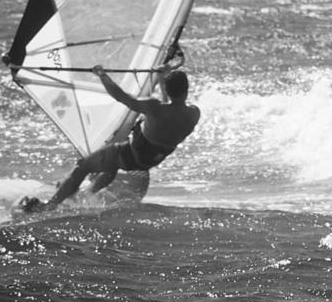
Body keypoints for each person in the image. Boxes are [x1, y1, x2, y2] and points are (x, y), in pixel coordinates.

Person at [21, 66, 201, 211]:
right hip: (147, 161)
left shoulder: (154, 107)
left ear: (168, 90)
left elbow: (121, 97)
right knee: (110, 167)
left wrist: (102, 75)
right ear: (186, 89)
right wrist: (163, 78)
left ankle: (48, 207)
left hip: (129, 154)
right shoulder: (193, 114)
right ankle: (87, 194)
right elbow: (169, 106)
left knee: (82, 167)